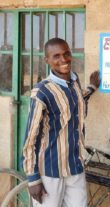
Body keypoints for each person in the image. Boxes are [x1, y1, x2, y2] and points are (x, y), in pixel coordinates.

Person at [22, 37, 100, 207]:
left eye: (66, 54)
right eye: (56, 56)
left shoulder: (73, 81)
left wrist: (92, 88)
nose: (63, 59)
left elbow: (76, 101)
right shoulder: (41, 92)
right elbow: (30, 138)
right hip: (51, 170)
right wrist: (33, 179)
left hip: (75, 165)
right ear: (47, 60)